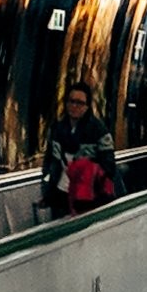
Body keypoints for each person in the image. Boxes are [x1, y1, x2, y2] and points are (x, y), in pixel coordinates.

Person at [42, 82, 115, 218]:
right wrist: (47, 191)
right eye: (71, 101)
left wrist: (88, 171)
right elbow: (49, 162)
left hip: (88, 198)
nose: (74, 106)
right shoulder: (57, 129)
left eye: (80, 103)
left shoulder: (99, 131)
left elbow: (109, 167)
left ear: (87, 106)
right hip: (61, 194)